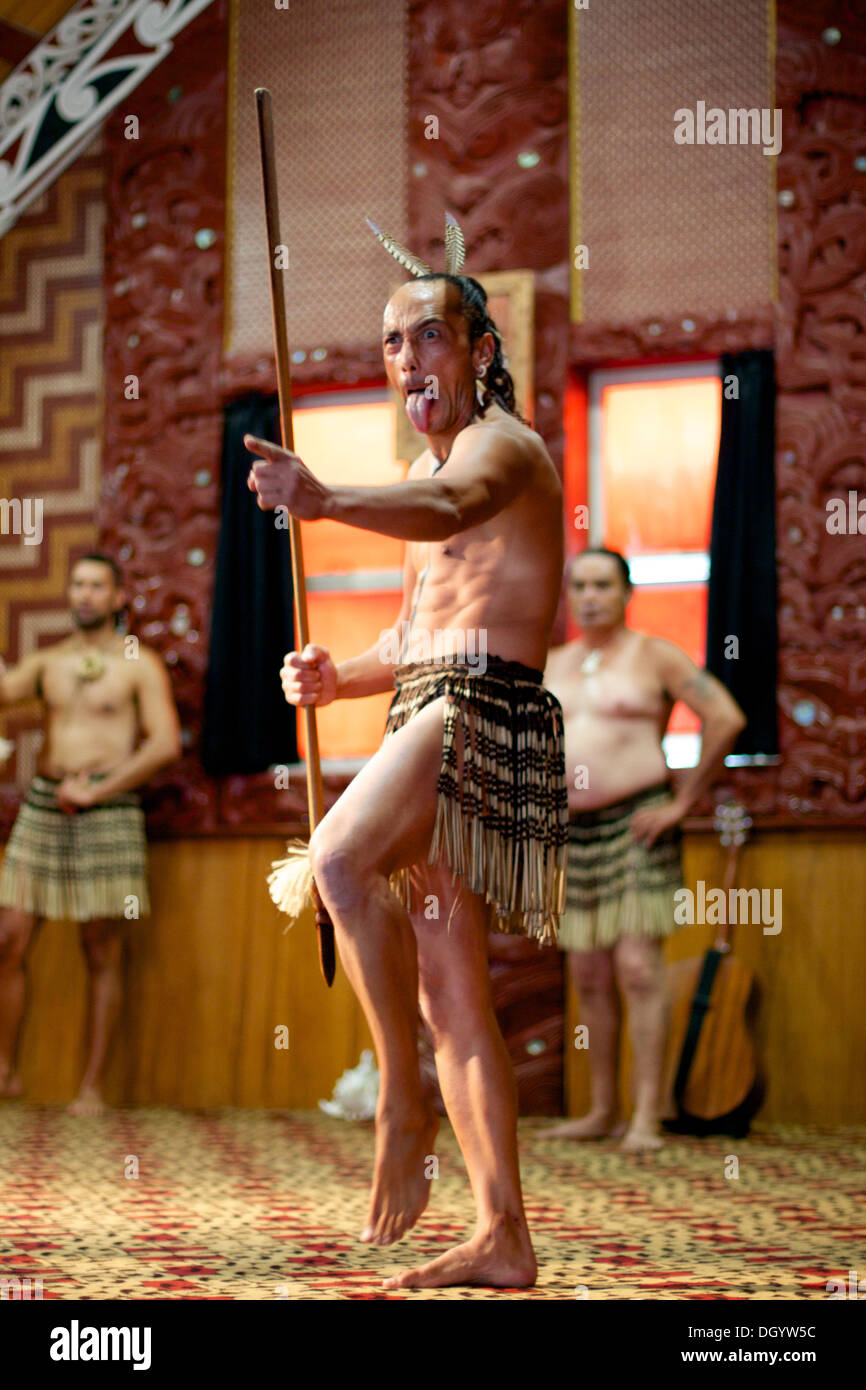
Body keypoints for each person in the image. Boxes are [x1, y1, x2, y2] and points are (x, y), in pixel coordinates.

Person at [246, 256, 568, 1290]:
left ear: (479, 351)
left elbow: (451, 511)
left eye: (427, 335)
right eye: (391, 342)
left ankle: (400, 1095)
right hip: (431, 702)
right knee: (450, 991)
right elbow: (414, 632)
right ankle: (501, 1234)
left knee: (336, 861)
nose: (406, 359)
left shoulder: (501, 450)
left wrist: (327, 495)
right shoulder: (429, 477)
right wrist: (339, 675)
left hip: (476, 711)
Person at [542, 549, 746, 1150]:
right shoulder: (552, 663)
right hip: (569, 830)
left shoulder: (653, 654)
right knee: (589, 972)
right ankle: (603, 1109)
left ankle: (646, 1117)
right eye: (579, 585)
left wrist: (683, 802)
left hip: (639, 820)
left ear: (627, 592)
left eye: (603, 584)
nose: (591, 596)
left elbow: (726, 717)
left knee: (636, 966)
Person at [0, 554, 181, 1115]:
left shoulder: (139, 665)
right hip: (43, 804)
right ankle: (5, 1072)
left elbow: (164, 744)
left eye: (96, 586)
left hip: (109, 809)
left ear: (117, 597)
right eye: (77, 584)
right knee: (9, 937)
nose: (84, 595)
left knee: (101, 948)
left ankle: (92, 1089)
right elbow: (5, 691)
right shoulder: (50, 662)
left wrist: (97, 790)